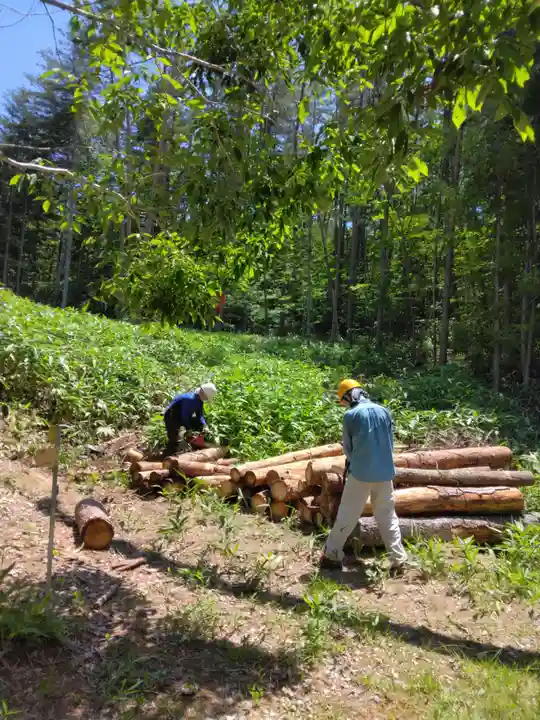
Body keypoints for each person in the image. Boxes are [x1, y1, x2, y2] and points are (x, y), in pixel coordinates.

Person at [320, 379, 407, 572]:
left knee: (347, 514)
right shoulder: (384, 411)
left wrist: (355, 462)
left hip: (360, 474)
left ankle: (332, 554)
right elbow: (390, 444)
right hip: (385, 473)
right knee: (387, 516)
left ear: (348, 396)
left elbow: (348, 449)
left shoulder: (351, 416)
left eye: (343, 400)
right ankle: (398, 559)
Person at [163, 383, 217, 456]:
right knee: (174, 439)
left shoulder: (199, 401)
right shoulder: (190, 399)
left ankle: (196, 444)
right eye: (206, 397)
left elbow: (199, 416)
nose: (206, 399)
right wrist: (189, 429)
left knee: (198, 424)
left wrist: (204, 425)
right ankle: (167, 456)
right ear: (203, 393)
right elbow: (185, 416)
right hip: (171, 416)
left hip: (181, 416)